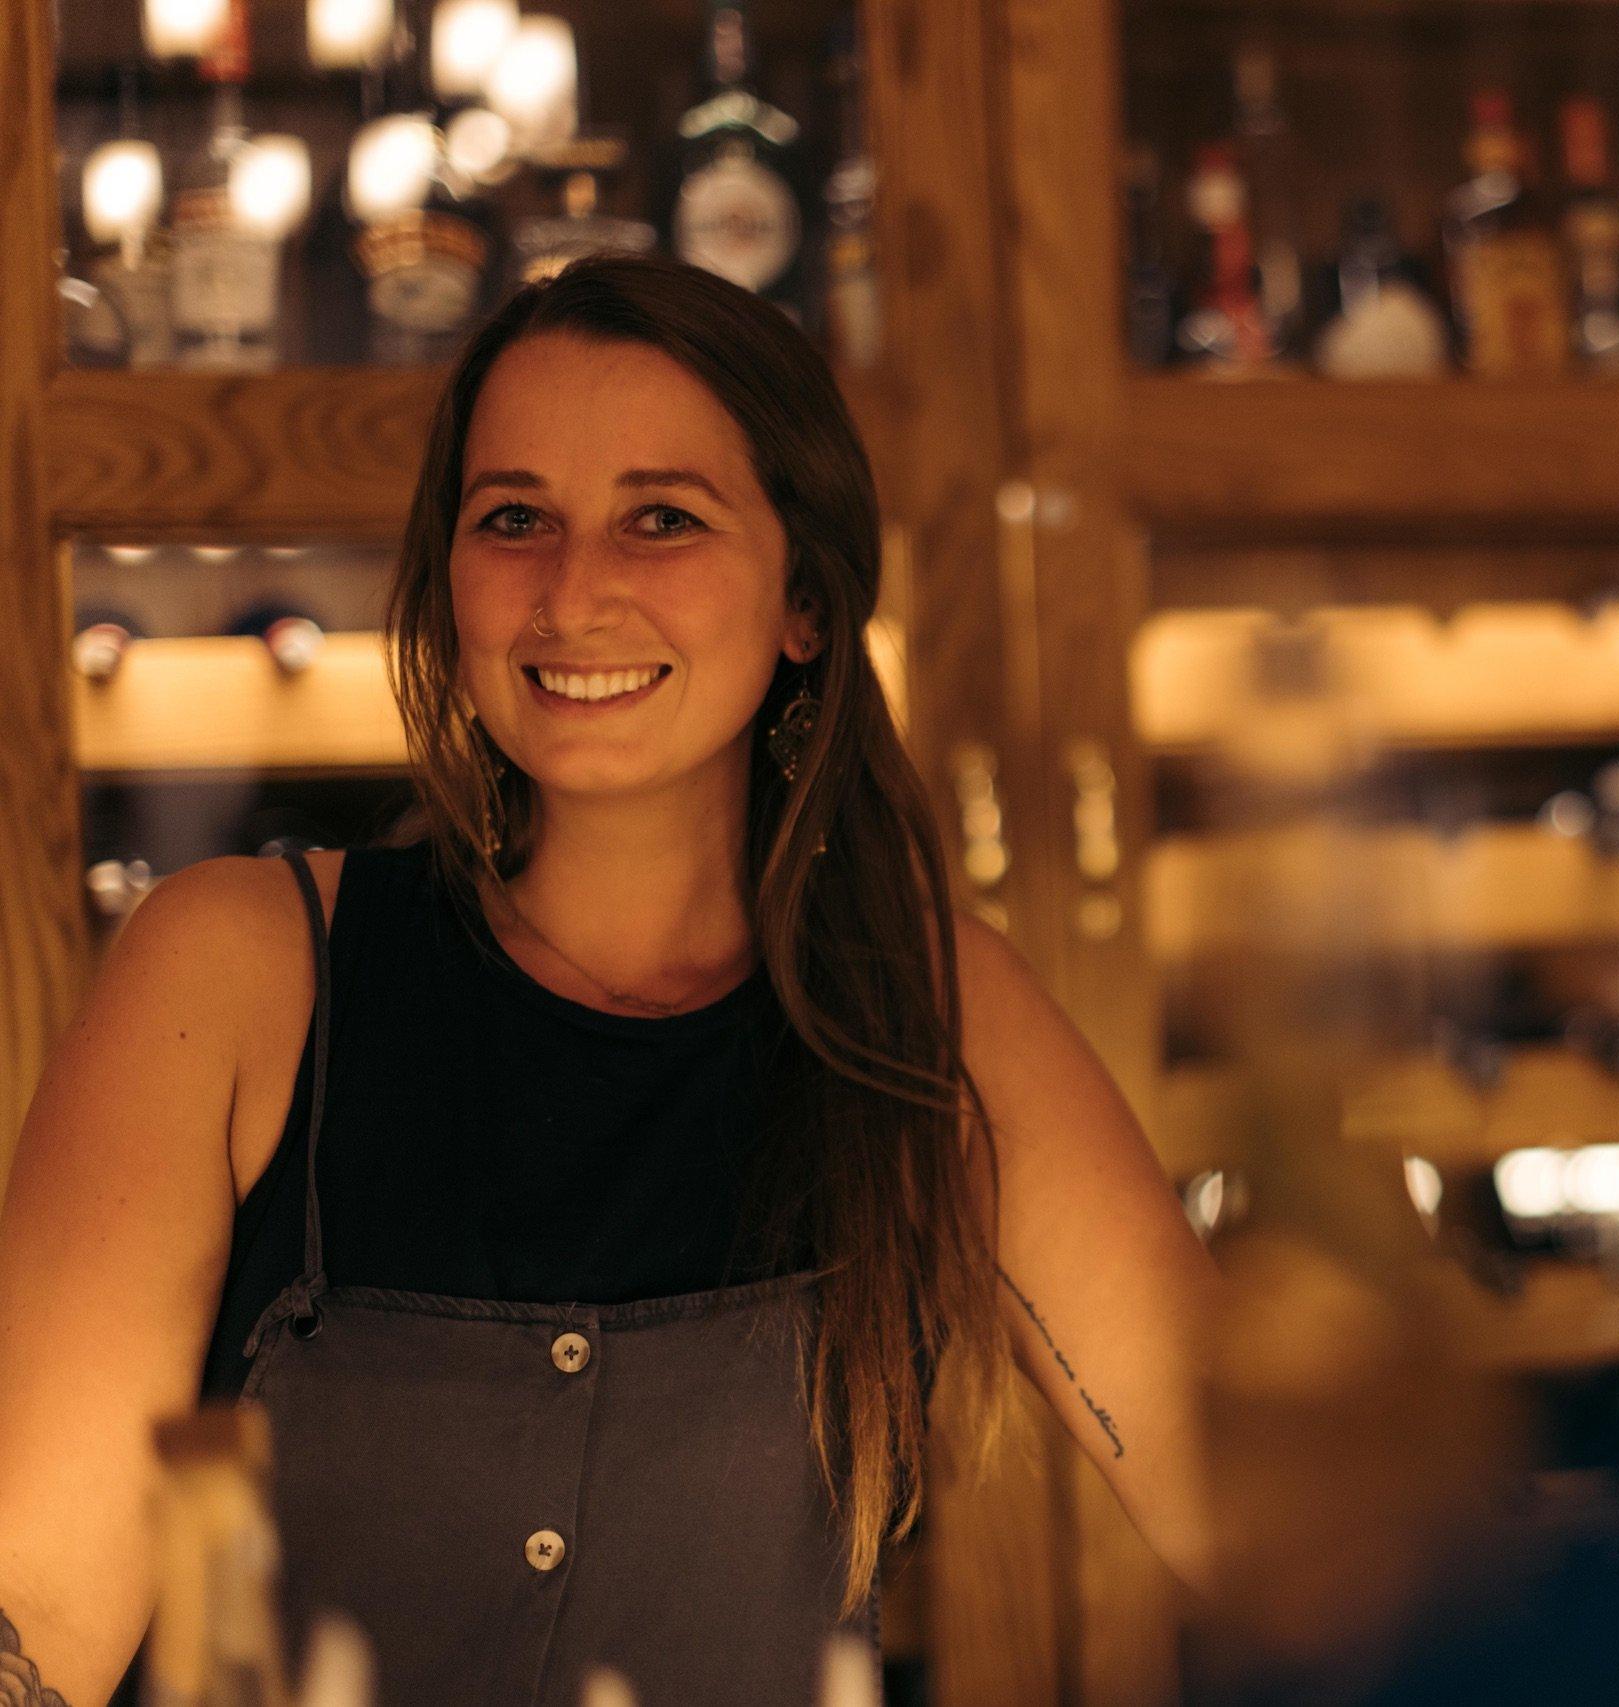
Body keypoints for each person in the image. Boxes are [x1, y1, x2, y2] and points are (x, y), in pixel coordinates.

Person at [0, 254, 1220, 1705]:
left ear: (805, 606)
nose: (576, 592)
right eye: (515, 518)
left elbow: (1264, 1513)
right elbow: (34, 1631)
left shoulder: (919, 1014)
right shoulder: (244, 973)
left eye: (663, 519)